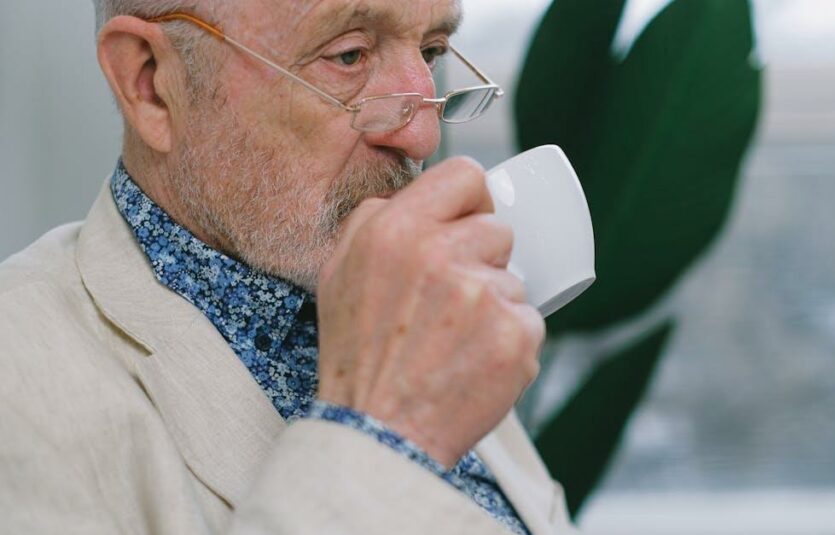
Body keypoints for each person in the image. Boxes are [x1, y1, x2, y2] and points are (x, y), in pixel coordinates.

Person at [0, 0, 577, 533]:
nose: (423, 135)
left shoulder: (417, 302)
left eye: (429, 53)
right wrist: (387, 435)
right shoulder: (19, 384)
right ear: (150, 82)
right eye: (348, 56)